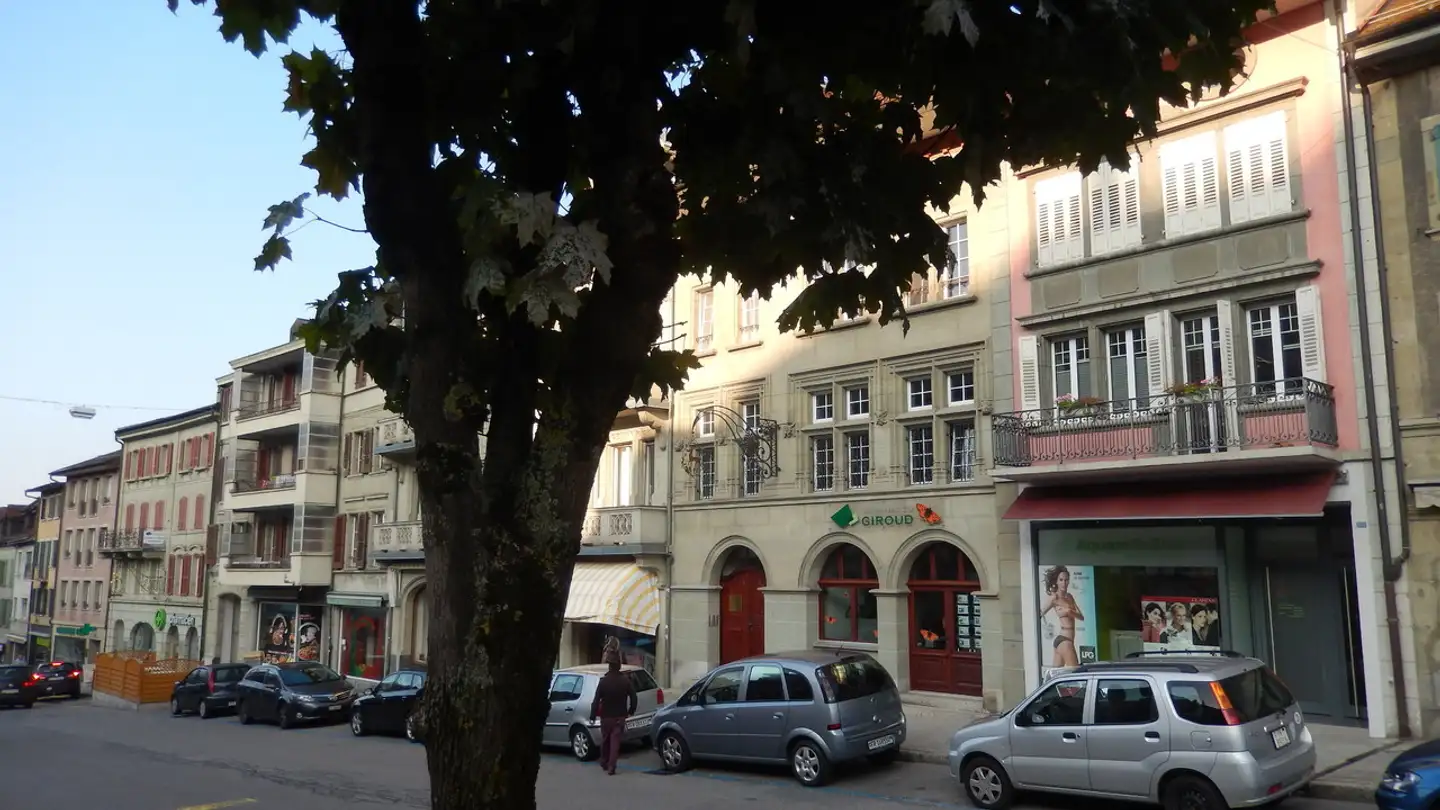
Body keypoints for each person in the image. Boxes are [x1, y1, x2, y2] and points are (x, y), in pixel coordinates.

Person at [589, 659, 637, 775]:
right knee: (615, 743)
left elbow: (596, 700)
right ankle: (612, 767)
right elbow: (634, 697)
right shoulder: (625, 681)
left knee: (605, 740)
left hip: (606, 717)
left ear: (609, 668)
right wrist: (631, 710)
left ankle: (604, 761)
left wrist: (593, 715)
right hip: (619, 717)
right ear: (619, 667)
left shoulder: (604, 682)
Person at [1040, 566, 1084, 668]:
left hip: (1068, 639)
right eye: (1061, 580)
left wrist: (1069, 612)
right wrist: (1046, 626)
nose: (1064, 583)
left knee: (1055, 675)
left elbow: (1081, 617)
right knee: (1075, 672)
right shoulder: (1054, 598)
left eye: (1066, 580)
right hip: (1064, 640)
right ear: (1057, 582)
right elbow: (1040, 613)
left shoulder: (1069, 597)